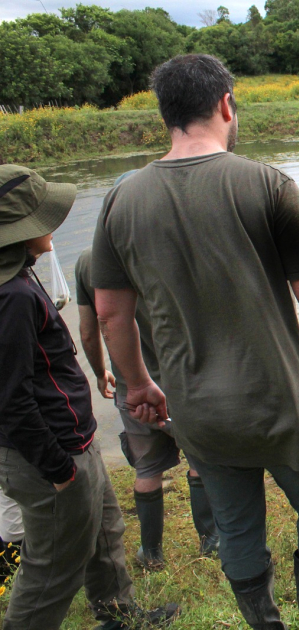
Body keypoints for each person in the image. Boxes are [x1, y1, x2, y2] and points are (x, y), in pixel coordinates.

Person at [91, 54, 299, 630]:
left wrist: (141, 383)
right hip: (281, 405)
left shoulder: (121, 201)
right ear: (226, 104)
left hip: (198, 412)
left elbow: (109, 312)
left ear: (165, 114)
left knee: (237, 525)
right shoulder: (265, 184)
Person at [0, 165, 178, 629]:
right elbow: (10, 399)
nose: (54, 226)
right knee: (53, 564)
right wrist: (58, 469)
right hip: (50, 453)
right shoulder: (12, 298)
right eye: (43, 217)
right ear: (21, 232)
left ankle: (119, 615)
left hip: (73, 439)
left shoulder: (22, 277)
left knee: (104, 533)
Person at [76, 234, 219, 570]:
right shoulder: (168, 248)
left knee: (147, 467)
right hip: (181, 383)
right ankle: (211, 541)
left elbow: (88, 330)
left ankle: (150, 552)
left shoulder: (87, 260)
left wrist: (99, 372)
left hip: (131, 387)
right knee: (199, 460)